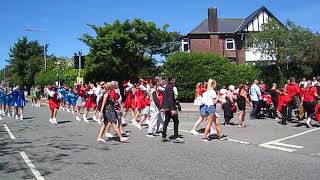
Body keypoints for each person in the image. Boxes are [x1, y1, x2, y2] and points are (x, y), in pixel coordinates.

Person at [161, 75, 184, 143]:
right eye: (174, 79)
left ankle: (164, 136)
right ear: (172, 79)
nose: (175, 80)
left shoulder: (166, 87)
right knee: (176, 121)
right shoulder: (171, 87)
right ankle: (176, 136)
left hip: (166, 107)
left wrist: (164, 107)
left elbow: (165, 98)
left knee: (166, 121)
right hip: (170, 107)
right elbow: (171, 98)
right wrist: (172, 109)